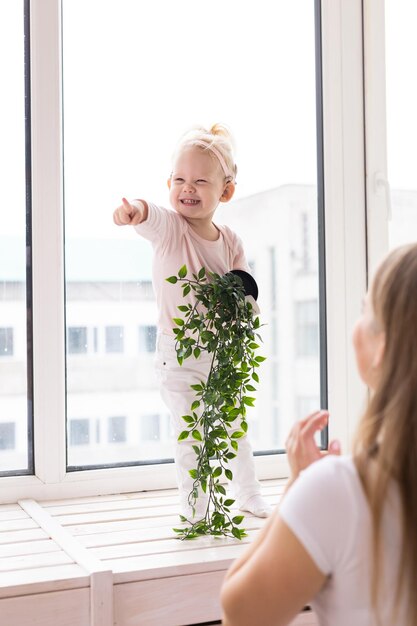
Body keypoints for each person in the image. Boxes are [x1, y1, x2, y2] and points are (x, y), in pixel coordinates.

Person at [221, 243, 417, 626]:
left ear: (383, 348)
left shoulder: (342, 491)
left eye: (365, 310)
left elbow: (239, 614)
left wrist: (298, 485)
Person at [113, 124, 271, 521]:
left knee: (234, 425)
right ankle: (196, 506)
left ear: (226, 191)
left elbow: (245, 284)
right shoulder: (172, 230)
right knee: (192, 433)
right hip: (178, 354)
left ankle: (249, 491)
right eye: (180, 179)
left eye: (201, 180)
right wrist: (136, 211)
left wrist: (242, 303)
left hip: (222, 353)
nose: (188, 188)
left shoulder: (230, 238)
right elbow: (151, 217)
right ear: (169, 184)